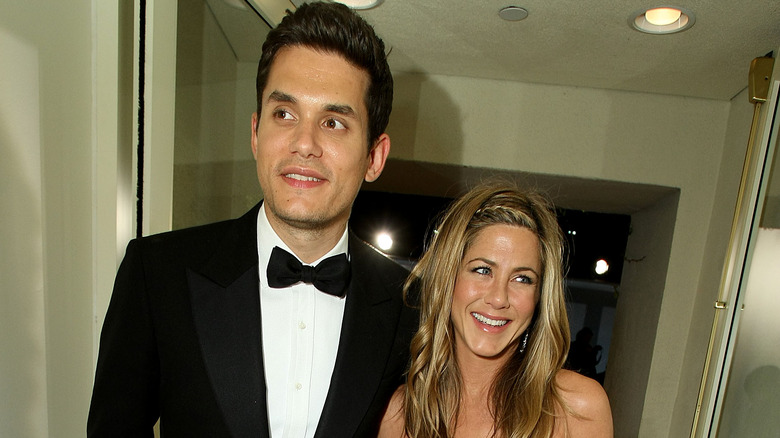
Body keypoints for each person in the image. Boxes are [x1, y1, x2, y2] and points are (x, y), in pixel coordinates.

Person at [88, 2, 417, 437]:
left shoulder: (412, 307)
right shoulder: (158, 273)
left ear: (374, 157)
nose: (304, 144)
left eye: (334, 122)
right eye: (285, 114)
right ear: (256, 133)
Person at [379, 183, 613, 437]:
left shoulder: (575, 407)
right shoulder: (399, 413)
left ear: (539, 297)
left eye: (522, 278)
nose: (499, 298)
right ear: (447, 278)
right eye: (482, 270)